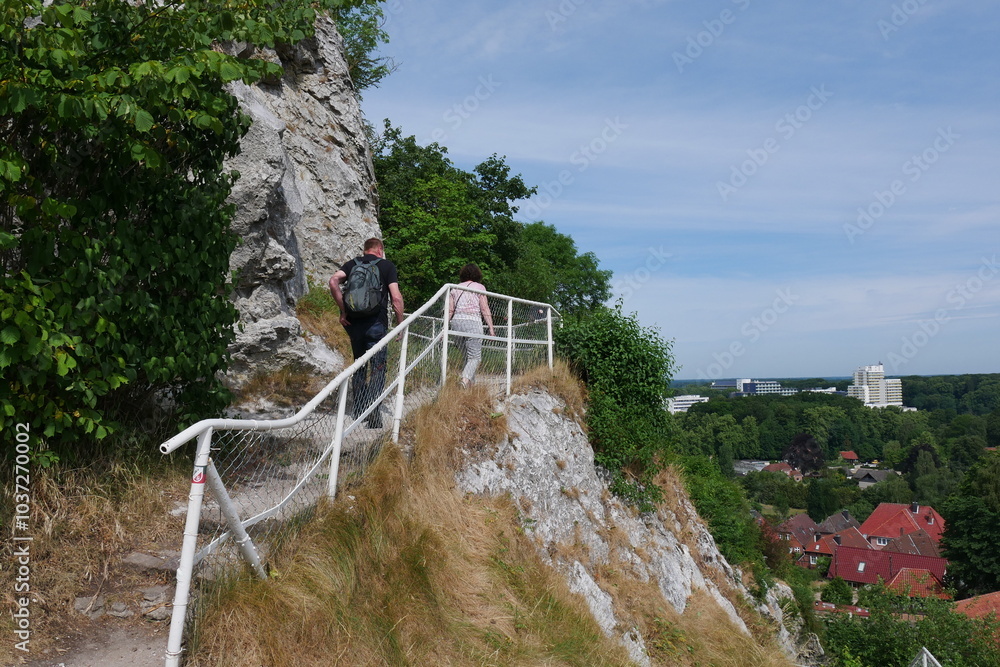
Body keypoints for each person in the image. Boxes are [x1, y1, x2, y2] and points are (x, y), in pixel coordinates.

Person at [329, 238, 404, 427]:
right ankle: (374, 415)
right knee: (378, 368)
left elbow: (333, 281)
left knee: (359, 365)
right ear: (379, 249)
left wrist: (343, 311)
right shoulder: (386, 266)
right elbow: (396, 298)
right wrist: (400, 324)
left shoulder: (352, 264)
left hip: (354, 324)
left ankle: (360, 410)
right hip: (376, 324)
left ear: (365, 250)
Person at [449, 263, 495, 387]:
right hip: (473, 322)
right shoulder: (479, 287)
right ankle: (464, 381)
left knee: (467, 357)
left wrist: (445, 327)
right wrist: (491, 328)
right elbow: (484, 308)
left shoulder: (455, 288)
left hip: (456, 323)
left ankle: (470, 387)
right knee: (475, 357)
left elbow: (450, 310)